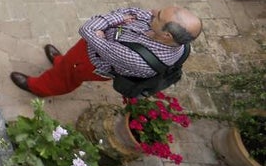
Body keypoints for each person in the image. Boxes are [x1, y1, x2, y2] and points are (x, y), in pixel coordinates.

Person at [10, 5, 202, 97]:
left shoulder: (136, 58)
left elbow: (87, 30)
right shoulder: (180, 40)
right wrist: (108, 27)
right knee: (68, 62)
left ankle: (41, 88)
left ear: (167, 36)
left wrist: (111, 21)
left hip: (91, 61)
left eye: (158, 16)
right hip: (99, 48)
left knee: (68, 76)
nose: (153, 11)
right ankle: (61, 62)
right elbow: (132, 10)